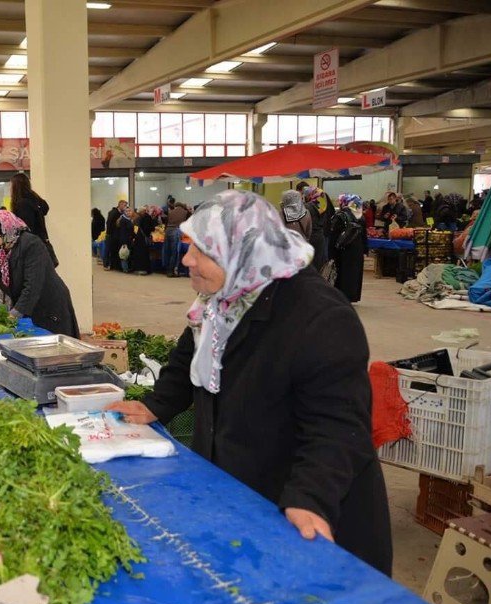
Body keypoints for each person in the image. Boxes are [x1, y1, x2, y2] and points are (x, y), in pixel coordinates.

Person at [105, 190, 392, 576]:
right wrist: (157, 404)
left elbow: (338, 427)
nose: (185, 259)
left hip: (308, 511)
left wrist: (310, 496)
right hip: (241, 490)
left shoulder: (320, 318)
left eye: (202, 249)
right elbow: (188, 355)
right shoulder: (223, 300)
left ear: (243, 251)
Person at [9, 172, 57, 266]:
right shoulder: (35, 200)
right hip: (41, 244)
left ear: (16, 187)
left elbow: (26, 229)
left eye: (11, 186)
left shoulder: (23, 204)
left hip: (32, 249)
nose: (10, 189)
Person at [330, 194, 367, 303]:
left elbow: (334, 235)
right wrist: (365, 249)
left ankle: (342, 295)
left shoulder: (341, 215)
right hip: (358, 248)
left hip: (344, 249)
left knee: (343, 272)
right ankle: (352, 296)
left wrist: (331, 252)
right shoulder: (360, 216)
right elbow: (364, 235)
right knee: (354, 273)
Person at [301, 185, 330, 271]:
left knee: (310, 265)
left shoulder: (307, 207)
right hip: (320, 236)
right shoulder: (322, 206)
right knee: (318, 264)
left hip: (311, 237)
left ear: (309, 195)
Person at [163, 202, 189, 277]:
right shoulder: (185, 212)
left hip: (168, 230)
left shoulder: (171, 212)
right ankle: (171, 271)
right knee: (174, 253)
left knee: (167, 251)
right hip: (176, 231)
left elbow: (166, 222)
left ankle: (167, 269)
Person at [104, 199, 127, 270]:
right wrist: (111, 233)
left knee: (113, 250)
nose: (125, 207)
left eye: (126, 206)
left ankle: (112, 265)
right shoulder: (113, 212)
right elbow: (109, 223)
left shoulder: (121, 213)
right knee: (108, 250)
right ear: (120, 204)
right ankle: (106, 265)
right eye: (124, 205)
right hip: (111, 235)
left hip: (115, 235)